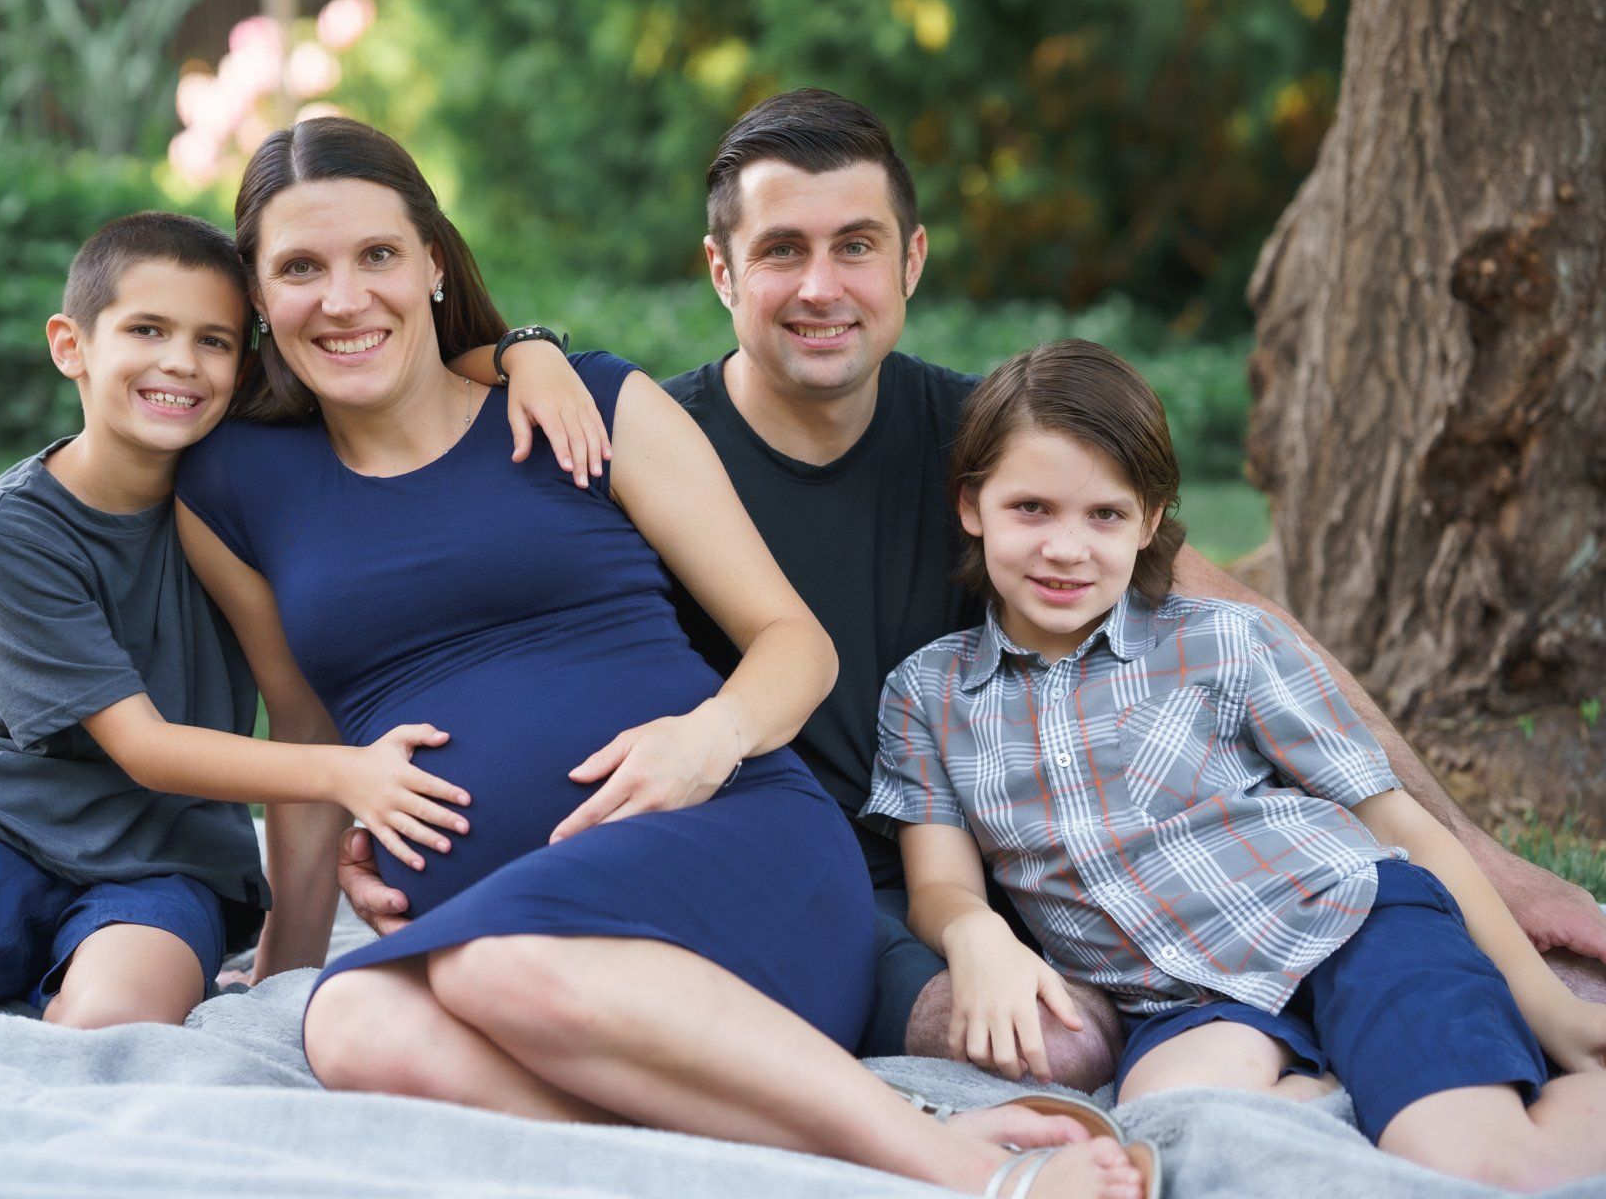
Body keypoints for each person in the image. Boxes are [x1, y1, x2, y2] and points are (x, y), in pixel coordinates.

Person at [335, 85, 1606, 1086]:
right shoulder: (652, 450)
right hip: (791, 866)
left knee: (1115, 1014)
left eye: (857, 245)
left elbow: (1249, 626)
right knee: (1050, 1047)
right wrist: (375, 807)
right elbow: (459, 580)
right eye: (781, 250)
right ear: (722, 273)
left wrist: (1494, 862)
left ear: (914, 259)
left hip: (1017, 861)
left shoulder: (991, 443)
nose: (822, 285)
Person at [172, 116, 1153, 1199]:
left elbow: (796, 643)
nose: (345, 298)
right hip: (508, 935)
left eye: (378, 256)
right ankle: (805, 1144)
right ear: (258, 298)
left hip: (729, 846)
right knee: (350, 1020)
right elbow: (309, 733)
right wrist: (288, 967)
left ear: (436, 265)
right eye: (301, 268)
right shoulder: (231, 488)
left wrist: (708, 740)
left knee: (501, 964)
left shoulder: (582, 405)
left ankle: (956, 1165)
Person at [0, 211, 603, 1032]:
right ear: (72, 345)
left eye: (213, 342)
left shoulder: (249, 492)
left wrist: (531, 353)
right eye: (147, 331)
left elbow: (414, 380)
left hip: (170, 863)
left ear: (246, 365)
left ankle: (42, 971)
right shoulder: (17, 530)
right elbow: (140, 746)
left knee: (104, 1028)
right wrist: (347, 775)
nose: (180, 363)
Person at [864, 338, 1606, 1191]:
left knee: (1482, 1164)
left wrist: (1551, 1009)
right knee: (1167, 1129)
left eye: (1104, 515)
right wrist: (976, 934)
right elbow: (939, 886)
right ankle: (1339, 1091)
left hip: (1352, 923)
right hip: (1185, 1001)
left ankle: (1434, 1096)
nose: (1066, 549)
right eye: (1030, 508)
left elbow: (1400, 826)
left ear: (1149, 523)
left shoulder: (1223, 642)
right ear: (972, 505)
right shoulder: (928, 692)